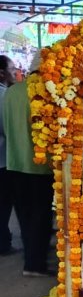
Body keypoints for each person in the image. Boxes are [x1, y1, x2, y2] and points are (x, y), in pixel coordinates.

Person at [3, 58, 55, 276]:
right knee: (40, 216)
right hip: (39, 167)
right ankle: (36, 264)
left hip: (13, 163)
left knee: (24, 216)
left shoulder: (11, 92)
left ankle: (31, 260)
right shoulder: (47, 91)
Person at [0, 54, 17, 256]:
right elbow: (6, 128)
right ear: (2, 73)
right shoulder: (3, 95)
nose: (16, 72)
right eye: (12, 68)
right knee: (4, 204)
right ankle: (3, 244)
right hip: (3, 159)